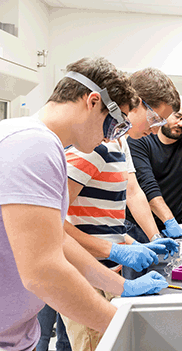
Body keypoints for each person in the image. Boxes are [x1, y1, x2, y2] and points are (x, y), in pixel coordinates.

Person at [0, 56, 167, 351]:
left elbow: (58, 243)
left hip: (15, 335)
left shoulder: (42, 144)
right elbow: (43, 271)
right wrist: (123, 327)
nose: (111, 136)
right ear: (92, 102)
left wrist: (121, 286)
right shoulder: (33, 144)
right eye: (115, 123)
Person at [59, 67, 181, 351]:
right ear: (135, 102)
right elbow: (54, 222)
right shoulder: (92, 146)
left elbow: (112, 209)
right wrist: (116, 250)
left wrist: (139, 243)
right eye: (154, 118)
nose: (154, 129)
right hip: (83, 274)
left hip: (104, 272)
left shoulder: (119, 144)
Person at [125, 96, 182, 251]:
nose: (181, 123)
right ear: (165, 114)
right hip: (137, 227)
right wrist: (169, 221)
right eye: (177, 116)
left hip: (174, 228)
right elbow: (148, 187)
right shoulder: (141, 139)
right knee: (139, 271)